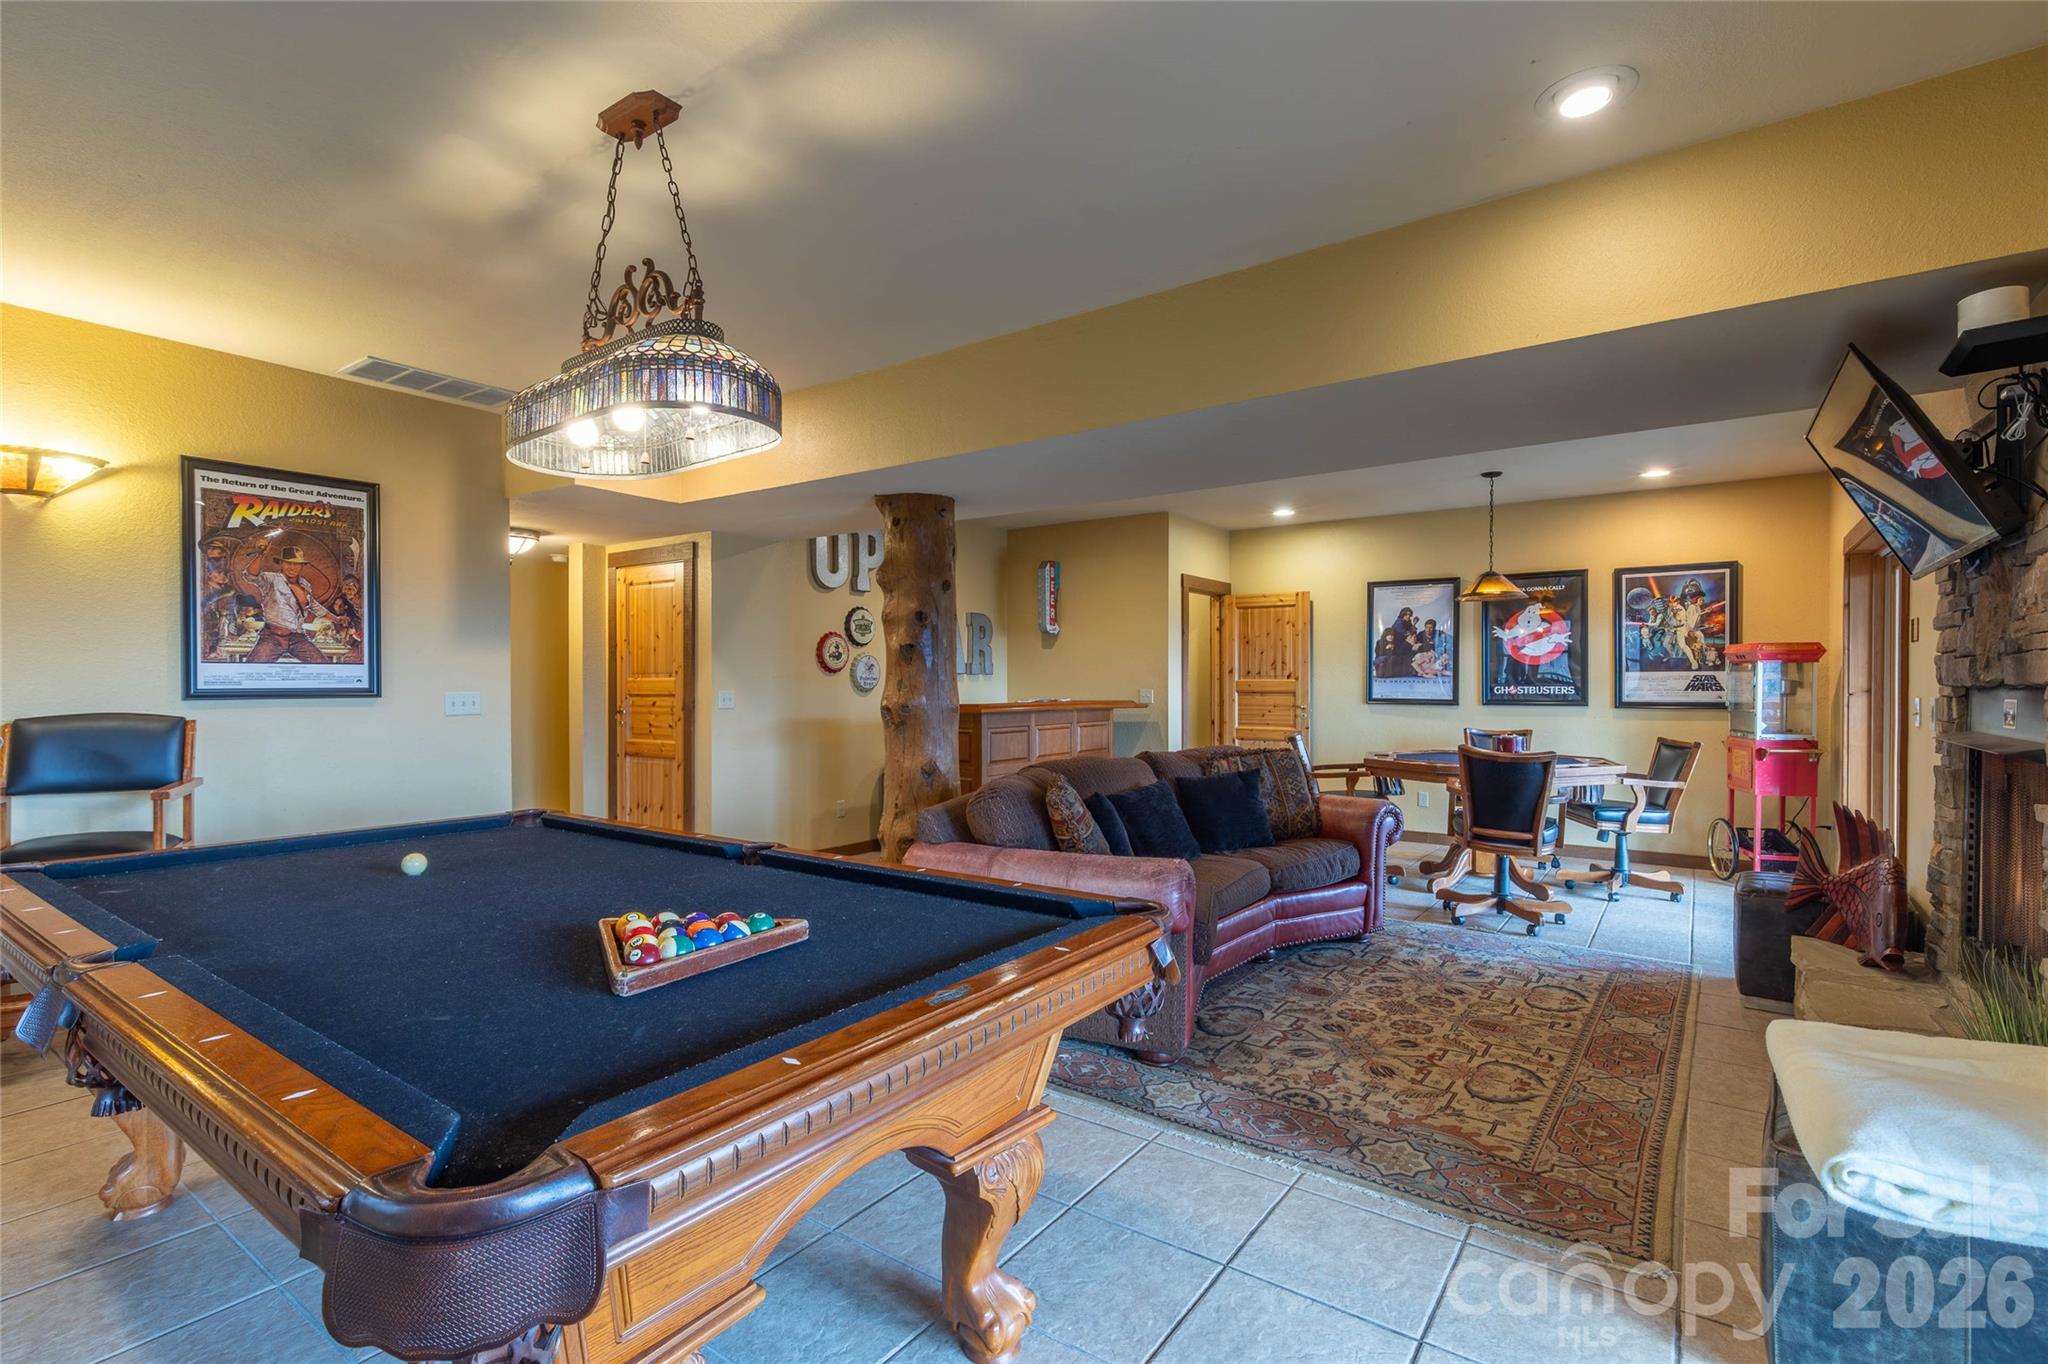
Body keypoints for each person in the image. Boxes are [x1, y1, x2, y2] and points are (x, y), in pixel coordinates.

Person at [246, 545, 338, 664]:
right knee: (252, 667)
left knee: (322, 665)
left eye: (296, 564)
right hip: (272, 638)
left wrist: (337, 619)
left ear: (302, 566)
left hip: (298, 638)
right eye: (288, 563)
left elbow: (314, 606)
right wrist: (261, 554)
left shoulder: (305, 585)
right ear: (281, 564)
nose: (292, 567)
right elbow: (251, 575)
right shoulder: (271, 579)